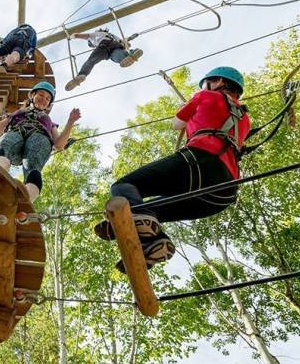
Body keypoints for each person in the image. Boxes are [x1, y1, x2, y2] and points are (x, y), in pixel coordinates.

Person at [95, 67, 251, 273]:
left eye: (205, 83)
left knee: (123, 186)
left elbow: (176, 124)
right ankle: (154, 243)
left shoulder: (206, 95)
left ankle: (134, 220)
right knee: (150, 212)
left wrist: (188, 109)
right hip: (224, 192)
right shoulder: (245, 120)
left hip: (200, 162)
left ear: (218, 81)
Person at [0, 81, 80, 201]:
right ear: (32, 95)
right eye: (41, 95)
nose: (44, 99)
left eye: (48, 98)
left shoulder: (48, 121)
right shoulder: (16, 114)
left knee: (33, 161)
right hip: (15, 138)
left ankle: (26, 198)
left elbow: (59, 144)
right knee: (8, 140)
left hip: (38, 139)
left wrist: (70, 122)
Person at [65, 28, 143, 91]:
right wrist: (131, 37)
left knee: (91, 61)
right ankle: (132, 54)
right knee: (119, 55)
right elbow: (126, 42)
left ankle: (82, 74)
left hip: (103, 47)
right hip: (115, 45)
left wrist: (72, 36)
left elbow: (79, 35)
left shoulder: (94, 35)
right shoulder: (112, 35)